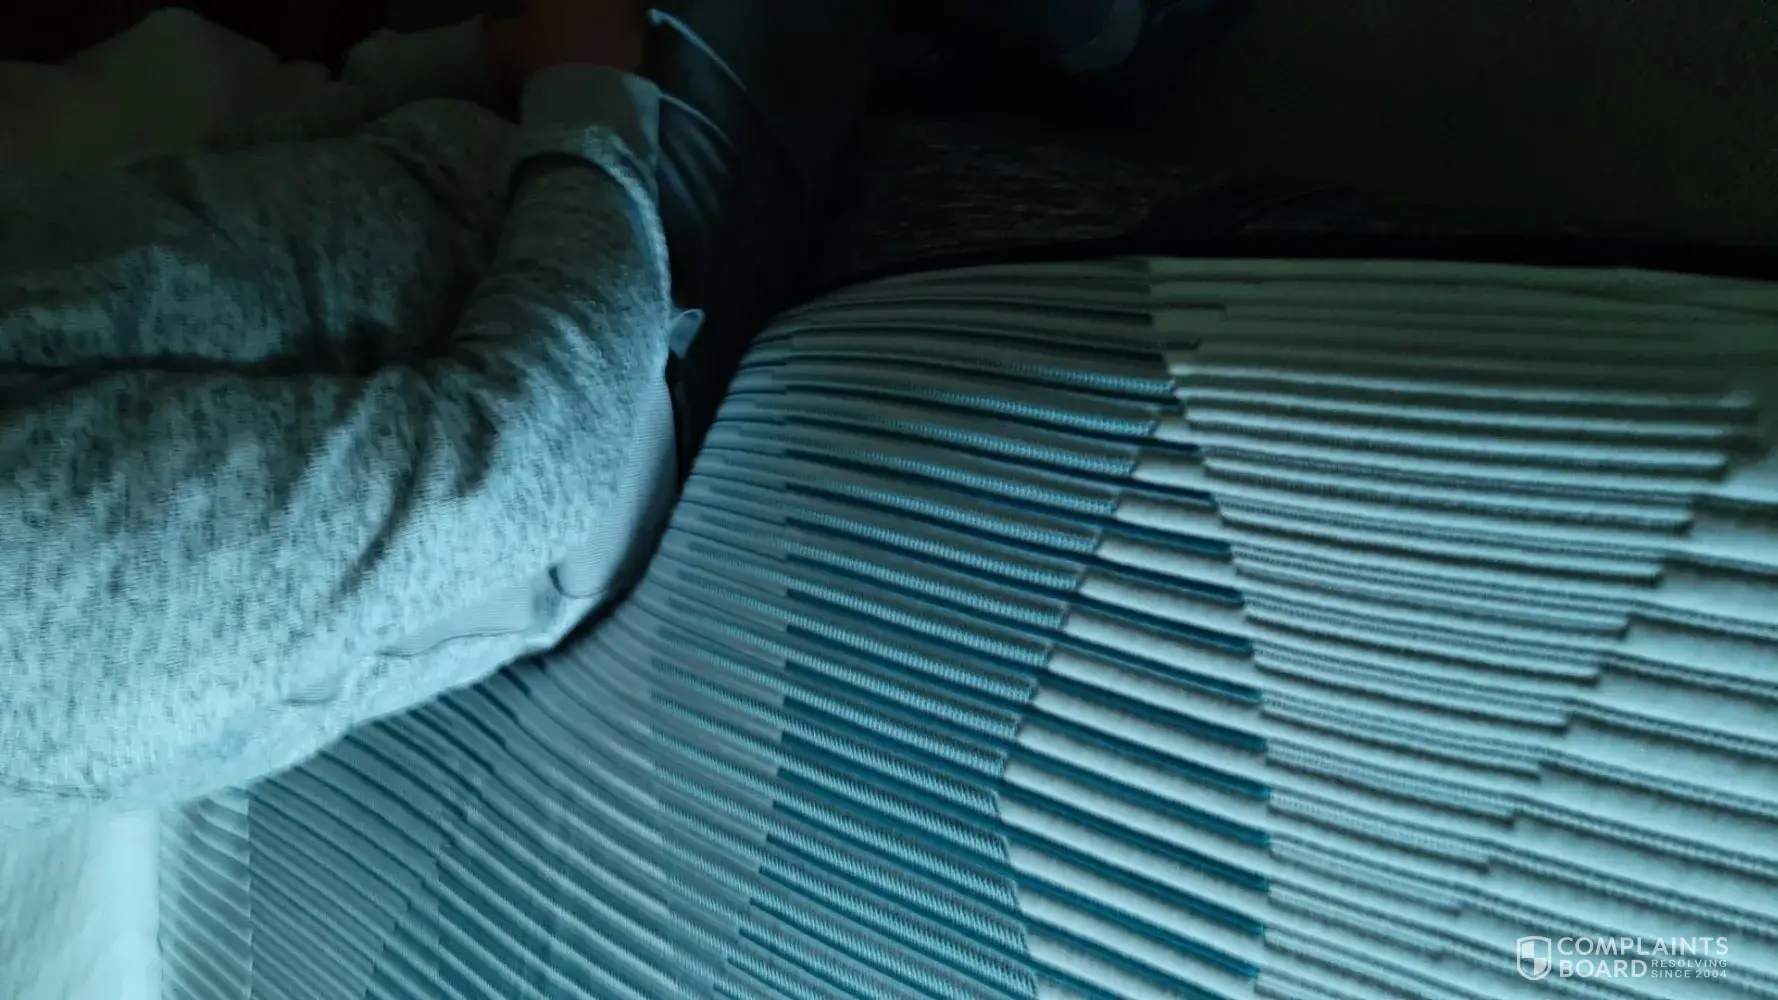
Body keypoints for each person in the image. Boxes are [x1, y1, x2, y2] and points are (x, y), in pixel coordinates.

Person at [0, 0, 883, 835]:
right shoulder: (30, 608)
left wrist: (477, 60)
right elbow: (521, 472)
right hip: (626, 323)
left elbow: (155, 223)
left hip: (508, 148)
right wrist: (585, 98)